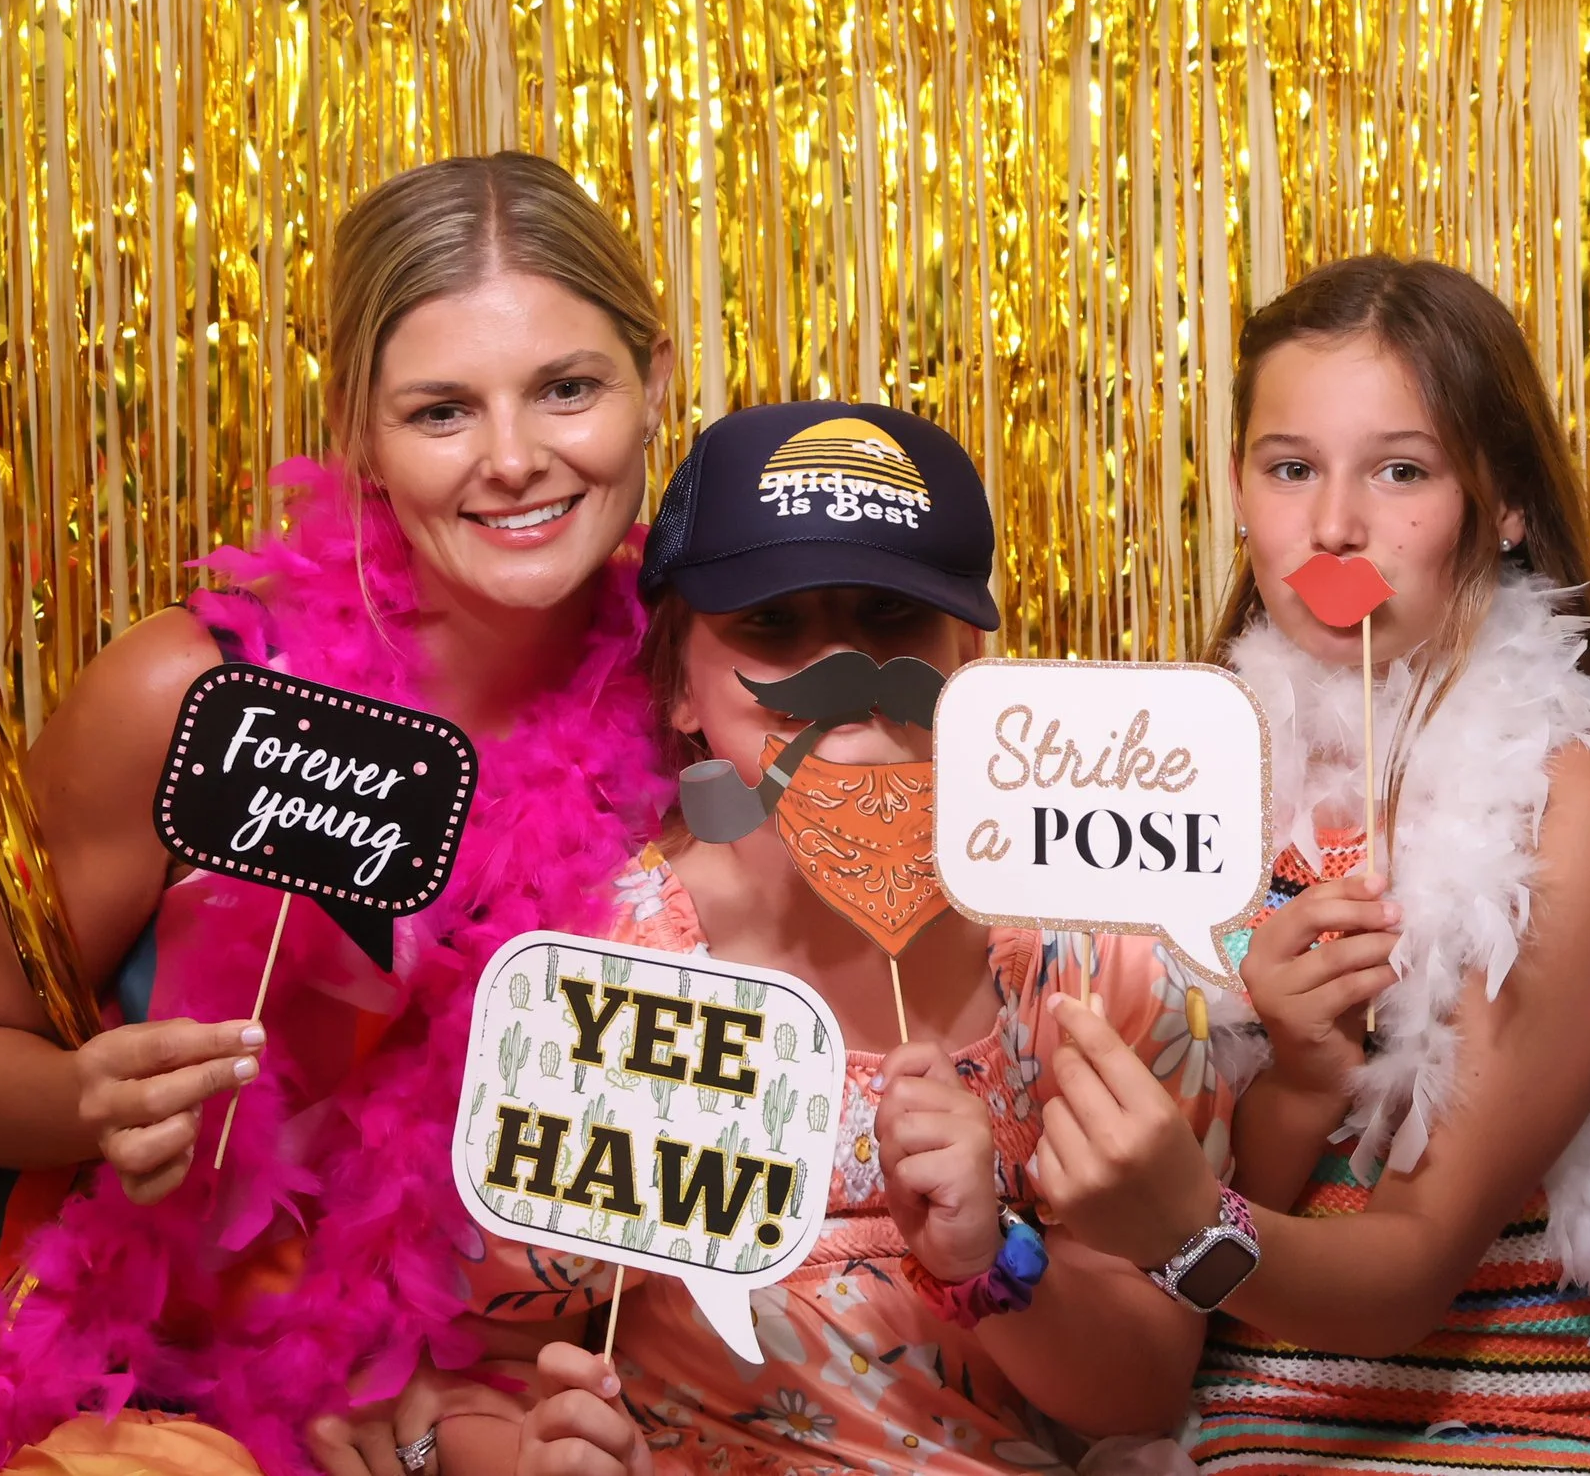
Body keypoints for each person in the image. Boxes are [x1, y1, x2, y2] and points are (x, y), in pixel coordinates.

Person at [0, 152, 678, 1476]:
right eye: (441, 410)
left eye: (568, 387)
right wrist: (80, 1097)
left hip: (458, 1394)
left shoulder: (694, 706)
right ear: (359, 426)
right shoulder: (195, 690)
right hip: (113, 1375)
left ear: (653, 377)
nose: (517, 459)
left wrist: (461, 1391)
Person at [1012, 257, 1590, 1475]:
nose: (1334, 523)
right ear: (1238, 490)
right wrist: (1295, 1075)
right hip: (1235, 1427)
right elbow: (1207, 1217)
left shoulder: (1577, 795)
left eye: (1400, 469)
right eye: (1291, 467)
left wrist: (1187, 1225)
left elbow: (1409, 1265)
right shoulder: (1170, 778)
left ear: (1502, 502)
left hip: (1530, 1427)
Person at [510, 401, 1235, 1476]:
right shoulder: (601, 964)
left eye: (891, 616)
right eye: (771, 623)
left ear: (969, 654)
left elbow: (1146, 1381)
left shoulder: (1098, 959)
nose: (842, 666)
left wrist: (985, 1255)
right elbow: (489, 1339)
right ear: (676, 685)